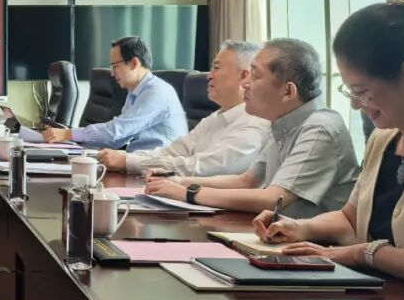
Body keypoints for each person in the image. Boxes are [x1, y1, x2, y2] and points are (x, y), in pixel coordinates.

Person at [255, 0, 404, 284]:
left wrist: (365, 254)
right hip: (372, 297)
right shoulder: (382, 139)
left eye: (361, 91)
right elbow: (351, 219)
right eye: (349, 91)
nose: (355, 104)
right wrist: (301, 228)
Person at [147, 38, 357, 217]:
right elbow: (247, 181)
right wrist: (179, 181)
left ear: (288, 92)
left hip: (316, 246)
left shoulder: (319, 128)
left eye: (255, 76)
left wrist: (188, 193)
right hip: (281, 236)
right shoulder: (282, 121)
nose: (245, 84)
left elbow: (274, 199)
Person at [98, 40, 269, 176]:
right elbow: (174, 151)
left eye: (216, 68)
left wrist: (130, 162)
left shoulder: (254, 123)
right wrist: (127, 158)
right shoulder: (215, 118)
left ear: (244, 76)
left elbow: (203, 167)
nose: (209, 76)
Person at [42, 36, 187, 150]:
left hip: (160, 170)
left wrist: (70, 134)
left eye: (115, 66)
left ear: (134, 63)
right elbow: (117, 140)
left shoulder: (156, 91)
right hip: (140, 164)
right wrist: (71, 140)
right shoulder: (134, 93)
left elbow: (118, 130)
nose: (112, 73)